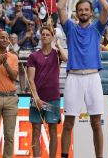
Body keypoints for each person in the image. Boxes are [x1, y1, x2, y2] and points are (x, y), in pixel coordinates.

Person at [57, 0, 108, 158]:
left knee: (96, 123)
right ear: (77, 13)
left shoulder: (97, 28)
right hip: (74, 78)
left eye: (87, 9)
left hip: (93, 77)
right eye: (80, 10)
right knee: (68, 122)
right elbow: (60, 7)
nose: (84, 12)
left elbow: (106, 8)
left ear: (90, 12)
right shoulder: (70, 27)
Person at [27, 26, 68, 158]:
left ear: (52, 37)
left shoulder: (57, 54)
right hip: (36, 99)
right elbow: (30, 79)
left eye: (47, 34)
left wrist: (59, 45)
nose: (44, 36)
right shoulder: (33, 56)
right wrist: (37, 98)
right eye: (43, 34)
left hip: (53, 98)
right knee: (36, 130)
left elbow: (67, 58)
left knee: (53, 130)